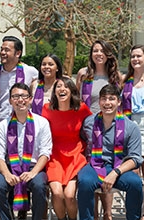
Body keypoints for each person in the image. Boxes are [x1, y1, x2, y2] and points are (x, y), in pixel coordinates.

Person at [78, 84, 144, 220]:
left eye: (111, 99)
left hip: (119, 167)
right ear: (99, 102)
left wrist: (116, 172)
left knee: (136, 183)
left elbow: (135, 158)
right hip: (94, 165)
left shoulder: (131, 127)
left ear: (119, 102)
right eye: (104, 99)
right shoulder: (88, 123)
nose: (107, 103)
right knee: (84, 182)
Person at [0, 83, 52, 220]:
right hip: (10, 167)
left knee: (39, 186)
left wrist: (33, 172)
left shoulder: (42, 123)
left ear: (30, 99)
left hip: (33, 167)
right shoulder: (3, 125)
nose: (20, 100)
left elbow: (45, 152)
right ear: (10, 100)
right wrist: (6, 174)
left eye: (24, 96)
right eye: (16, 96)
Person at [76, 39, 121, 219]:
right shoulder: (83, 74)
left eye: (102, 51)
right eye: (95, 50)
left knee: (107, 167)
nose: (98, 54)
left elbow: (121, 102)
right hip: (89, 127)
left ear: (108, 54)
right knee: (92, 169)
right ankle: (93, 213)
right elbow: (77, 101)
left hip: (110, 126)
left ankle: (107, 213)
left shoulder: (116, 76)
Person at [42, 77, 92, 220]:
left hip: (75, 155)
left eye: (65, 87)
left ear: (71, 91)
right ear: (54, 91)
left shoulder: (81, 108)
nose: (62, 89)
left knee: (69, 196)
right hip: (54, 156)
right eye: (58, 86)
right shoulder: (46, 109)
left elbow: (95, 124)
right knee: (57, 193)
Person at [121, 44, 144, 220]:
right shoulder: (124, 81)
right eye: (133, 56)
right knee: (133, 176)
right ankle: (133, 213)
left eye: (139, 56)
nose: (135, 59)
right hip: (130, 125)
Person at [0, 36, 38, 121]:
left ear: (18, 53)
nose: (2, 52)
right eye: (1, 49)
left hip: (23, 123)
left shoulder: (30, 72)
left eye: (7, 50)